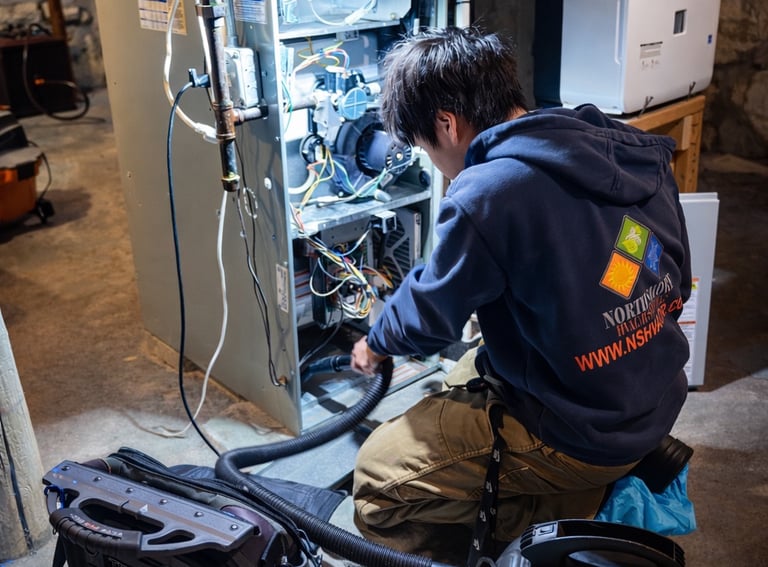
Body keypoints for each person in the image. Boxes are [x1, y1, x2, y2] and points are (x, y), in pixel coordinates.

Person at [349, 26, 692, 559]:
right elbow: (677, 278)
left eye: (424, 146)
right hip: (655, 395)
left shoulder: (489, 192)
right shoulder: (616, 144)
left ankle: (566, 511)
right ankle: (582, 479)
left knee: (375, 483)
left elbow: (431, 316)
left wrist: (376, 342)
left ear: (447, 124)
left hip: (588, 433)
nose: (434, 162)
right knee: (466, 370)